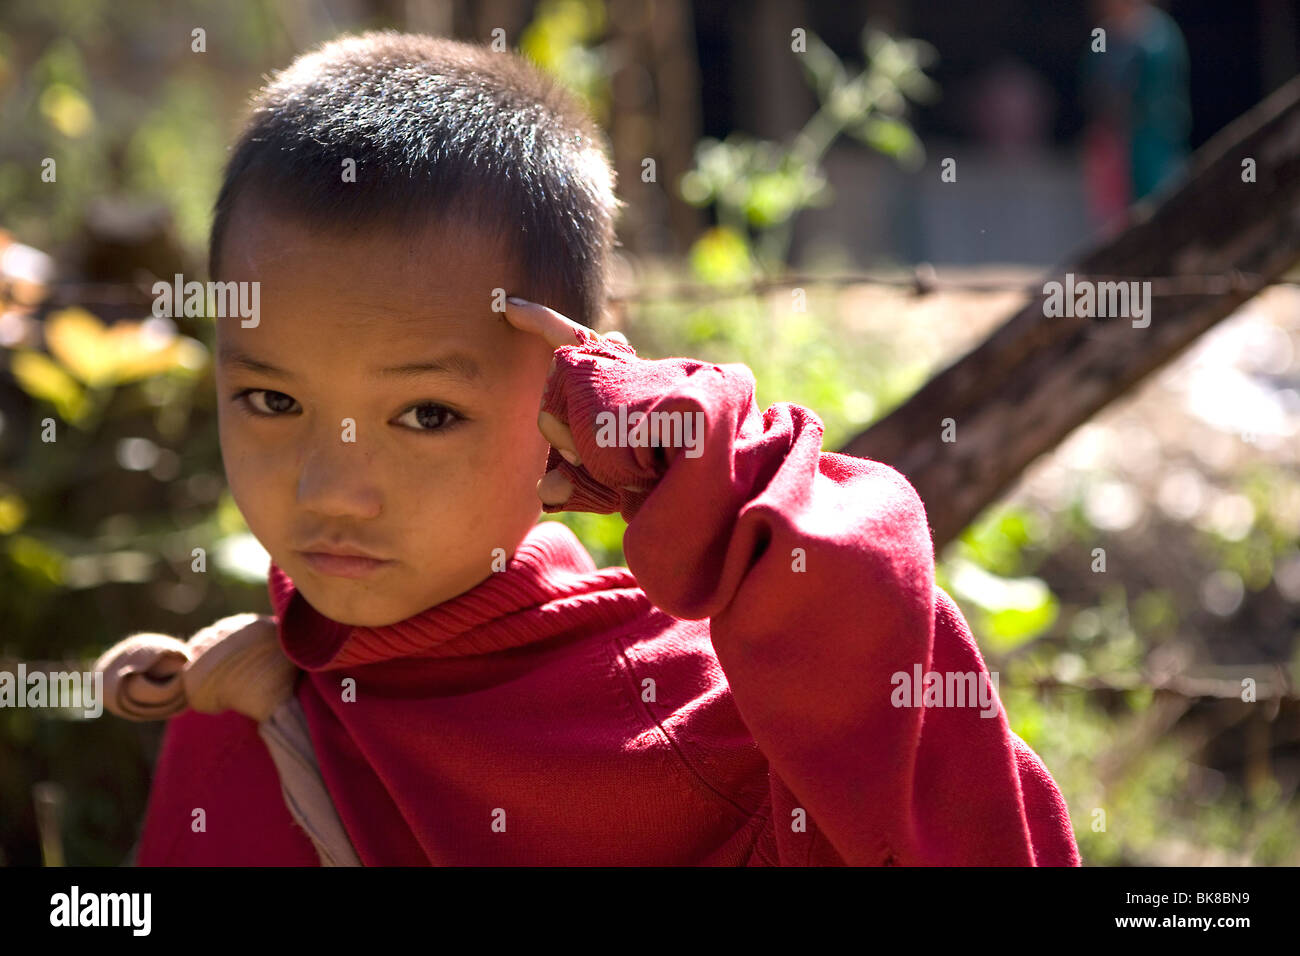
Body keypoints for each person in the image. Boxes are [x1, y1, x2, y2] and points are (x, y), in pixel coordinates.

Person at [132, 31, 1080, 866]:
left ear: (563, 383)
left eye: (425, 414)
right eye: (269, 398)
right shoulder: (248, 710)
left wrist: (720, 472)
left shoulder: (685, 730)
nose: (330, 490)